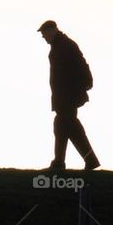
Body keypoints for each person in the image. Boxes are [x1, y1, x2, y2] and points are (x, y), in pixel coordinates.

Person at [38, 20, 100, 170]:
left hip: (68, 97)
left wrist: (83, 85)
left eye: (44, 33)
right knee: (65, 126)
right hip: (64, 96)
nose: (43, 37)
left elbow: (80, 65)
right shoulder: (61, 45)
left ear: (52, 30)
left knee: (65, 125)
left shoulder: (64, 46)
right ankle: (68, 161)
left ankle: (63, 162)